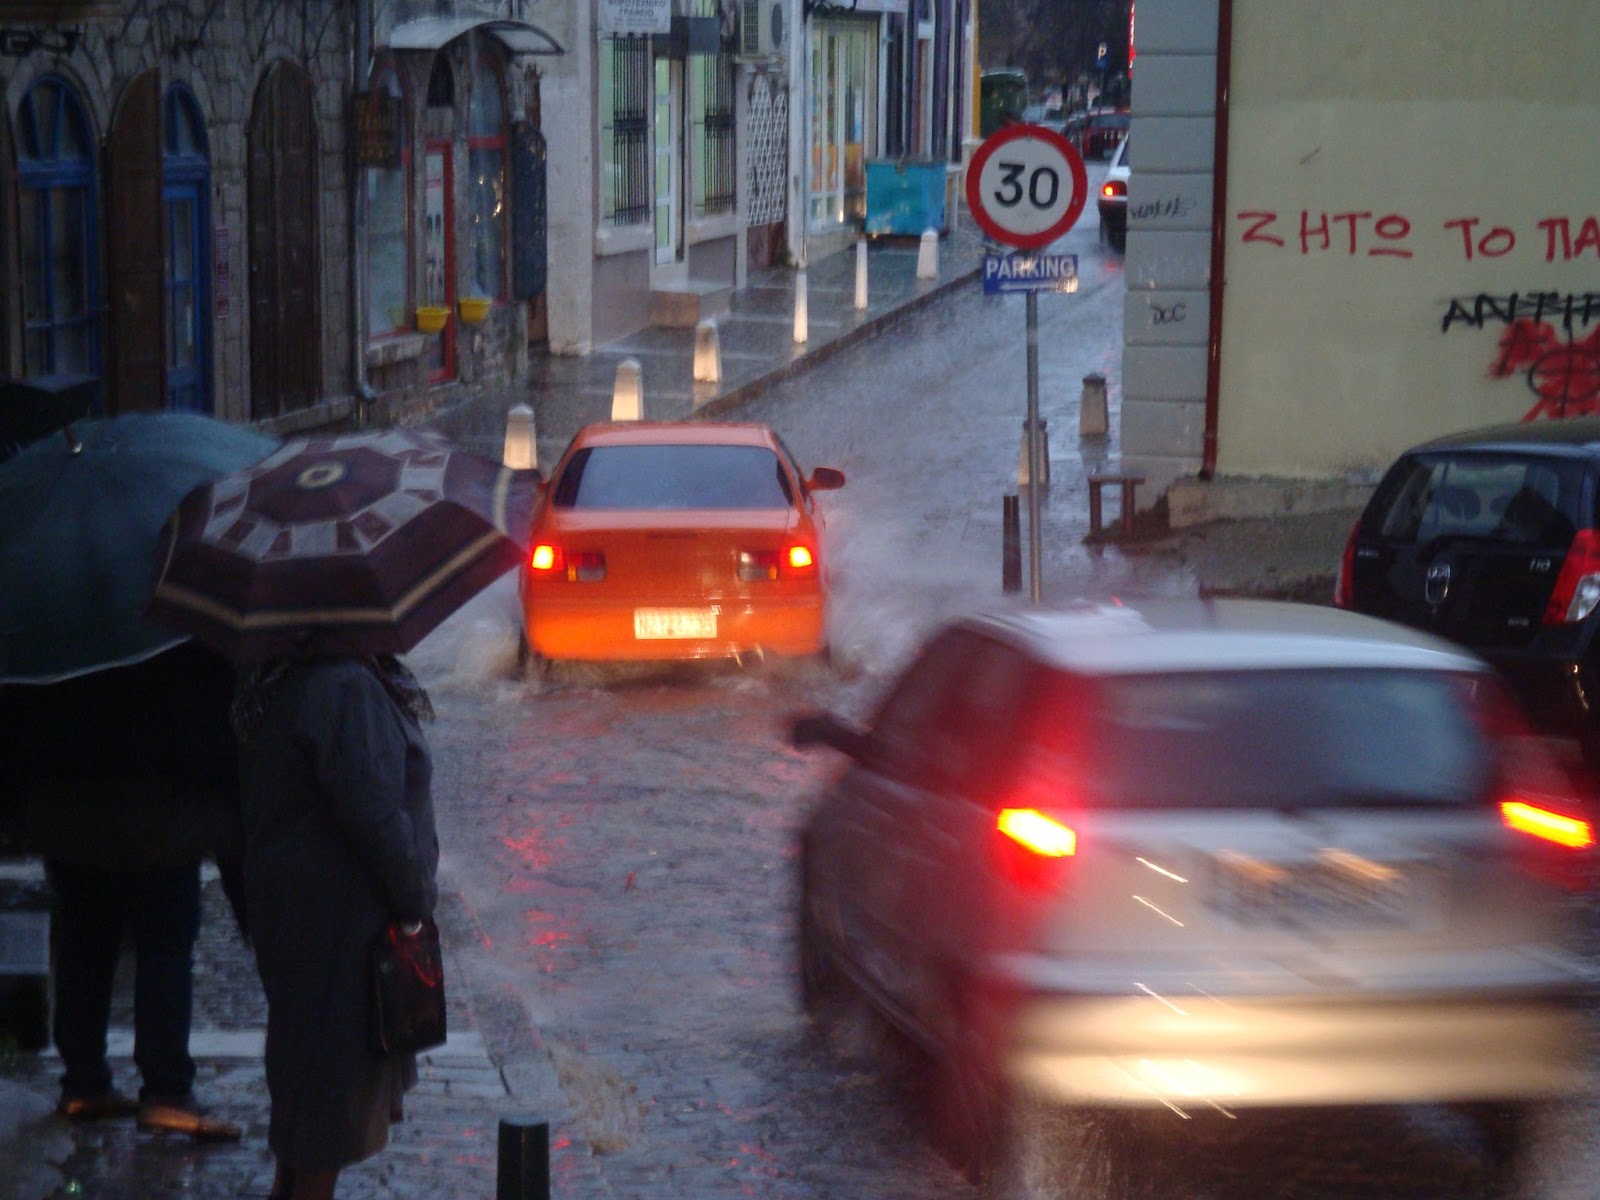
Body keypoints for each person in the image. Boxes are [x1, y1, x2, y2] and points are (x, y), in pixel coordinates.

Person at [1, 640, 245, 1141]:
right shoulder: (175, 632)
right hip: (161, 815)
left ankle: (84, 1082)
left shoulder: (60, 632)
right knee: (165, 947)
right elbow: (214, 725)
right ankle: (167, 1090)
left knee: (84, 943)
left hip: (68, 812)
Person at [230, 653, 439, 1200]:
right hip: (342, 926)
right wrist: (415, 897)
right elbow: (375, 815)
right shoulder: (343, 688)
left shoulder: (285, 677)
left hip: (303, 912)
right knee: (329, 1098)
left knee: (305, 1085)